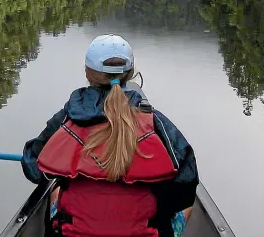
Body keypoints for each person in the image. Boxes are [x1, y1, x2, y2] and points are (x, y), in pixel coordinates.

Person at [21, 34, 199, 237]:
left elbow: (34, 168)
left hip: (74, 232)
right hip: (143, 232)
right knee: (188, 207)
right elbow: (186, 186)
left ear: (88, 73)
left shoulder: (66, 120)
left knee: (54, 191)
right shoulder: (156, 122)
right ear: (130, 73)